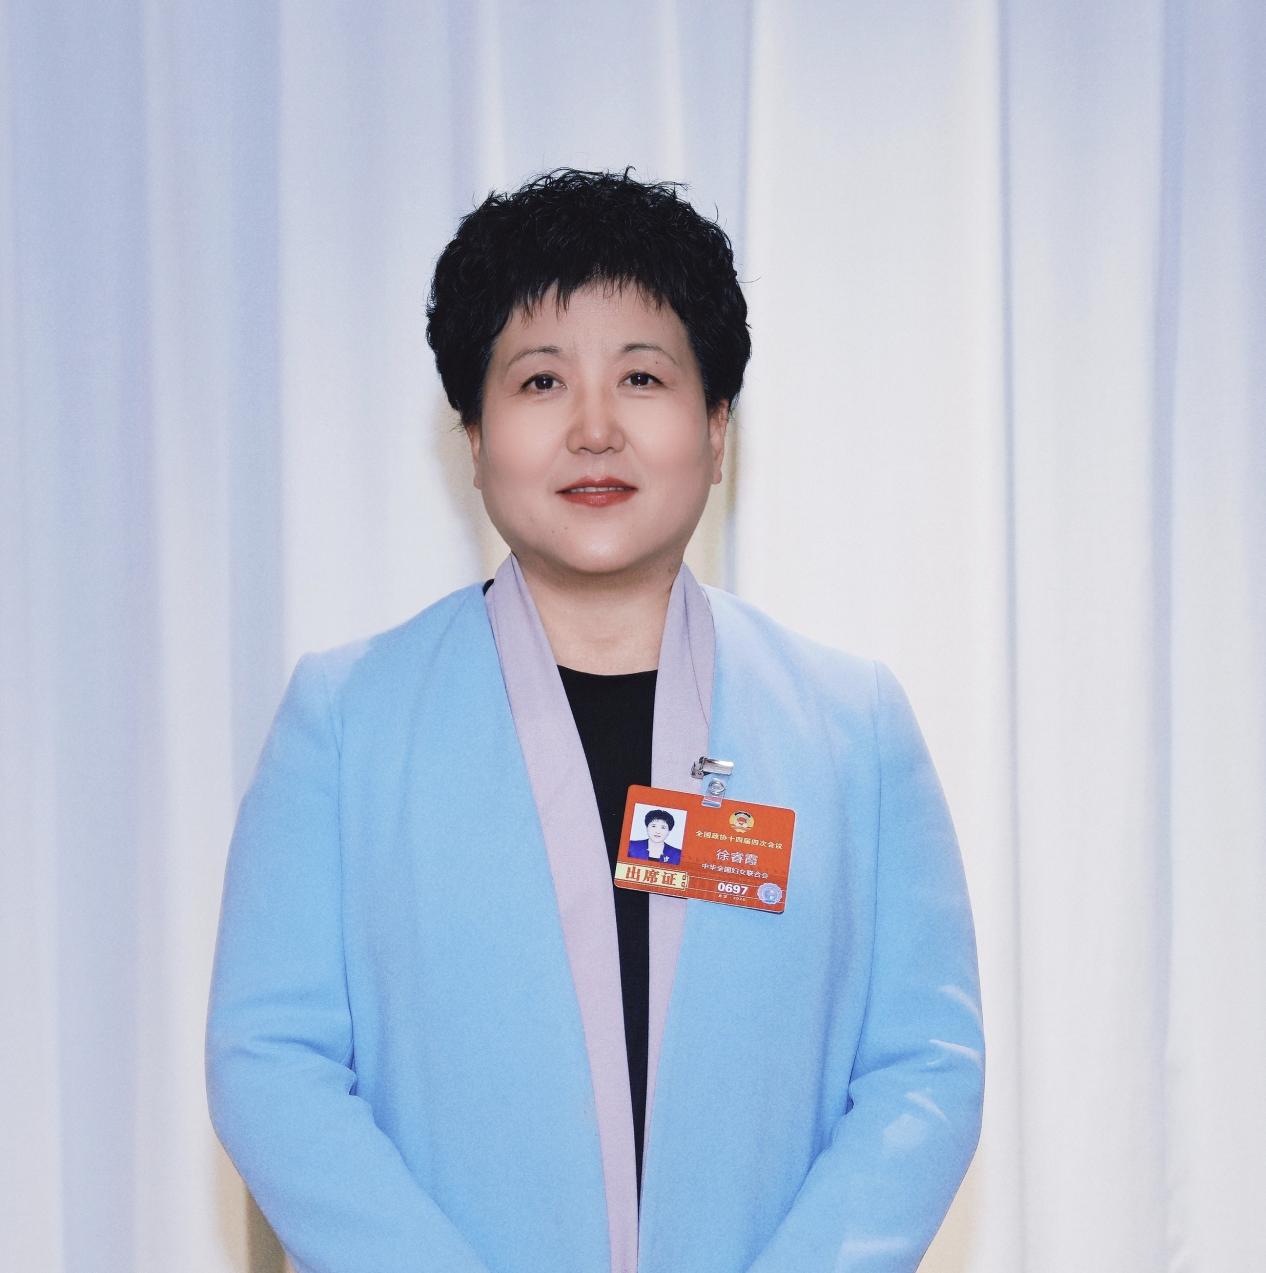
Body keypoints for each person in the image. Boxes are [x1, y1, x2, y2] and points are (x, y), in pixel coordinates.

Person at [205, 168, 984, 1273]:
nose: (595, 428)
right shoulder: (346, 722)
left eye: (642, 376)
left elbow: (925, 1068)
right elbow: (270, 1061)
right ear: (474, 435)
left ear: (717, 428)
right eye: (540, 380)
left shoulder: (850, 729)